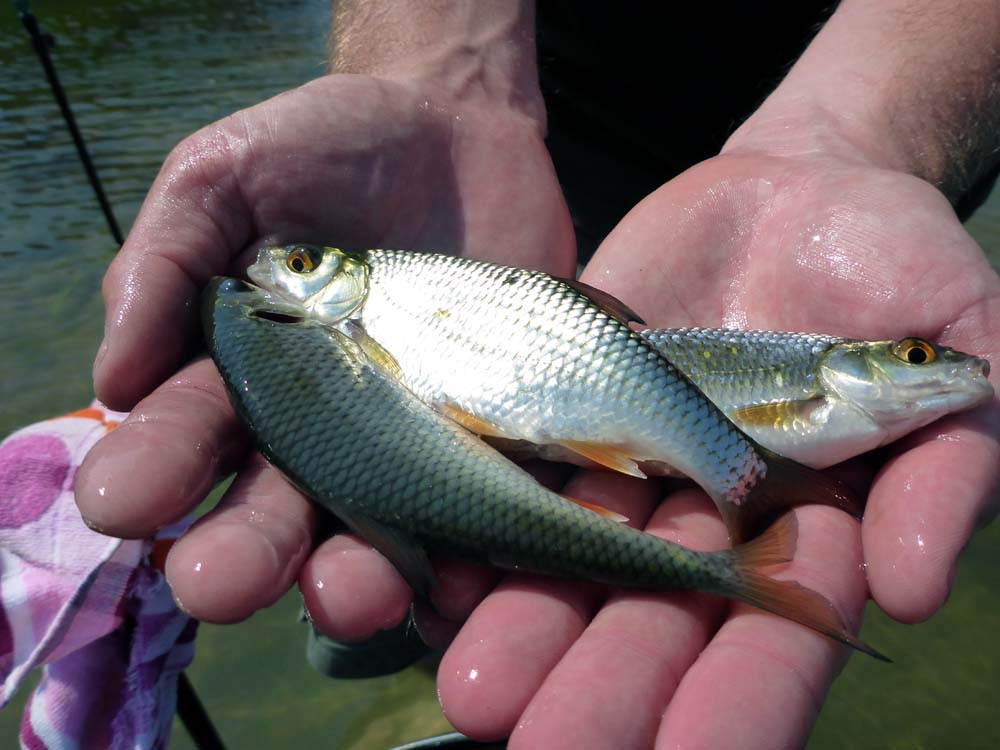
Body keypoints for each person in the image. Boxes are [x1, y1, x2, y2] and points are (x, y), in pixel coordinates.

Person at [74, 2, 1000, 747]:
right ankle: (413, 686)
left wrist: (862, 131)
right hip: (512, 181)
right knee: (389, 598)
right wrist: (432, 71)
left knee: (462, 592)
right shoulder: (382, 291)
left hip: (795, 179)